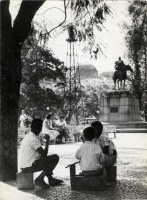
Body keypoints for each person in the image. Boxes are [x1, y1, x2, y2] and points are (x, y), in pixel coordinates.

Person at [18, 118, 63, 189]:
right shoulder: (33, 139)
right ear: (39, 129)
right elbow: (44, 154)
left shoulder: (27, 137)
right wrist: (48, 141)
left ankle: (50, 178)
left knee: (44, 159)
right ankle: (40, 179)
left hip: (24, 166)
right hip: (29, 167)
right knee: (55, 157)